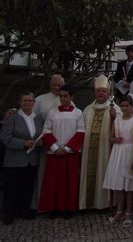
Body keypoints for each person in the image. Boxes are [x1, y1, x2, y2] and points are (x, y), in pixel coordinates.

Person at [38, 85, 85, 218]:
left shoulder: (78, 113)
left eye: (66, 96)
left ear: (71, 97)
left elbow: (80, 132)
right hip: (55, 154)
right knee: (53, 182)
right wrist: (55, 148)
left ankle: (68, 208)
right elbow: (46, 131)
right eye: (61, 96)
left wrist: (67, 148)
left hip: (70, 154)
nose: (63, 99)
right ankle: (53, 208)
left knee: (69, 183)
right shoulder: (52, 112)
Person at [1, 92, 44, 225]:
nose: (27, 103)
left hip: (32, 159)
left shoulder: (38, 118)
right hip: (14, 160)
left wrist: (40, 142)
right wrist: (23, 143)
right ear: (20, 102)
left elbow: (41, 134)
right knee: (11, 189)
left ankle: (24, 211)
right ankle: (8, 214)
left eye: (30, 101)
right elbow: (5, 138)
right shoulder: (12, 117)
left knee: (27, 189)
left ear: (34, 103)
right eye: (24, 101)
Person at [79, 74, 120, 210]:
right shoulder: (87, 110)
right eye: (98, 91)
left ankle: (104, 204)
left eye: (103, 91)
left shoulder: (115, 110)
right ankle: (86, 204)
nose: (101, 93)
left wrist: (115, 118)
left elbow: (120, 130)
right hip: (88, 150)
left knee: (104, 172)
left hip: (106, 150)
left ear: (108, 93)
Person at [103, 95, 133, 227]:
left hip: (129, 151)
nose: (124, 108)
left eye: (127, 106)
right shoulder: (117, 120)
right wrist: (115, 140)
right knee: (119, 185)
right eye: (122, 106)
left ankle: (128, 212)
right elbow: (111, 137)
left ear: (131, 106)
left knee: (128, 185)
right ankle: (119, 210)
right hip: (118, 152)